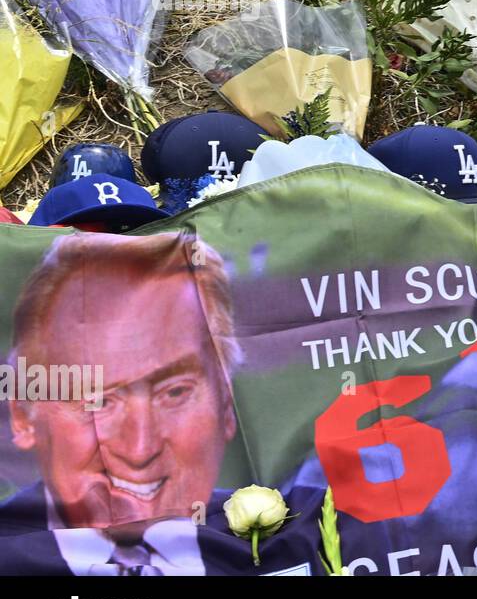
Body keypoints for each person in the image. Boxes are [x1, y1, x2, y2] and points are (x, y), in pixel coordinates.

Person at [0, 232, 309, 575]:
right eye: (98, 400)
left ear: (225, 404)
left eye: (174, 392)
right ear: (22, 414)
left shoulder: (305, 531)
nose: (140, 448)